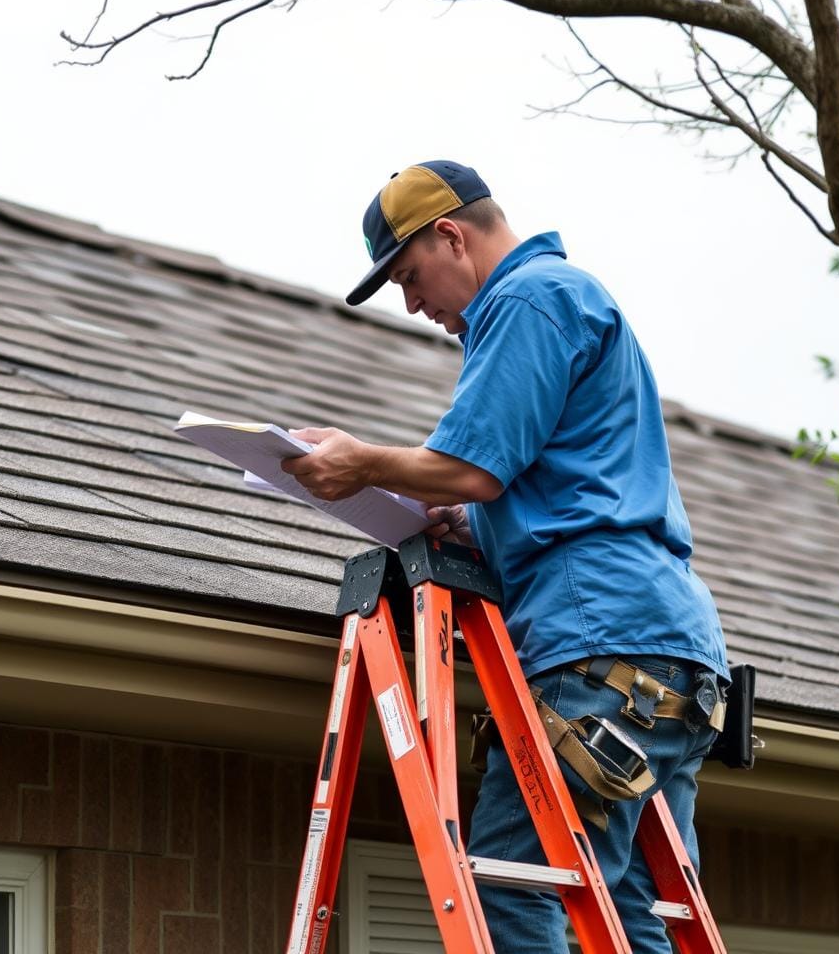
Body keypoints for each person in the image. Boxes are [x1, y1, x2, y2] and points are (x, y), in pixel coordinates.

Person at [280, 159, 729, 954]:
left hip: (600, 648)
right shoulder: (570, 300)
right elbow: (558, 484)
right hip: (670, 655)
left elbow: (478, 466)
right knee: (632, 917)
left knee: (516, 890)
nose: (416, 305)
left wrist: (364, 463)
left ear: (450, 235)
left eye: (411, 278)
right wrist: (472, 522)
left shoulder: (528, 300)